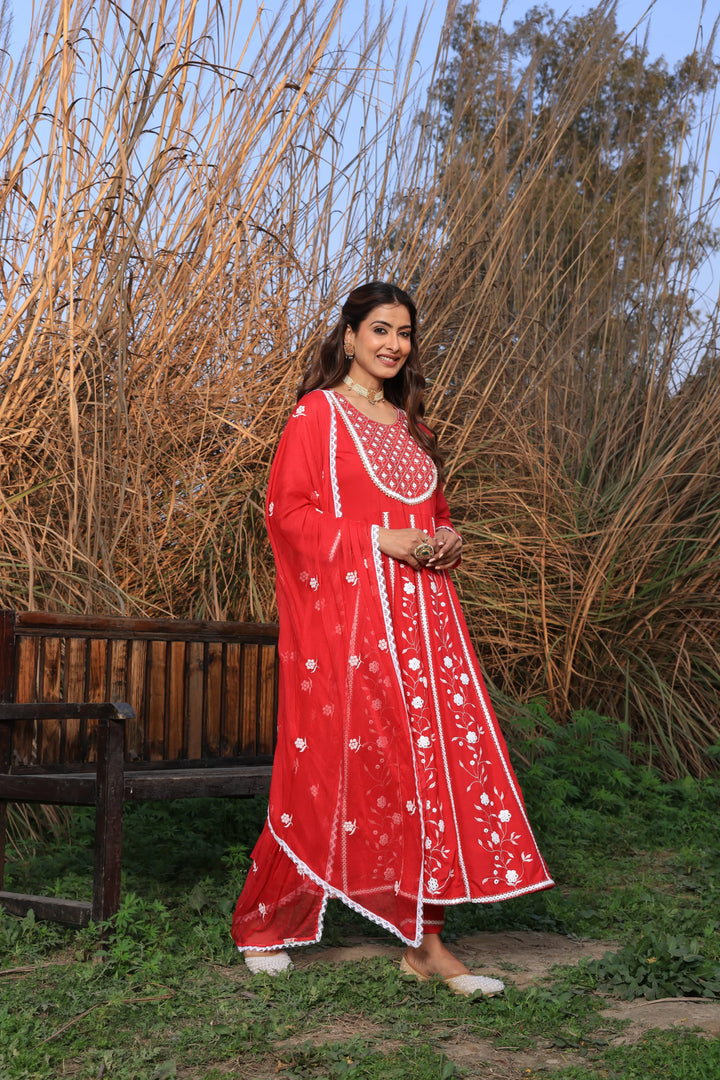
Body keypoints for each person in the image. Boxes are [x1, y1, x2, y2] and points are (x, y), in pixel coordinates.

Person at [231, 281, 553, 995]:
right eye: (379, 329)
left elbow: (429, 516)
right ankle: (265, 919)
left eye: (404, 333)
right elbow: (286, 516)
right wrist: (381, 538)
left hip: (426, 626)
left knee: (426, 771)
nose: (393, 344)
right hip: (349, 627)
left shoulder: (412, 427)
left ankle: (426, 943)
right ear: (348, 336)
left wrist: (446, 540)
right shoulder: (317, 416)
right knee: (330, 771)